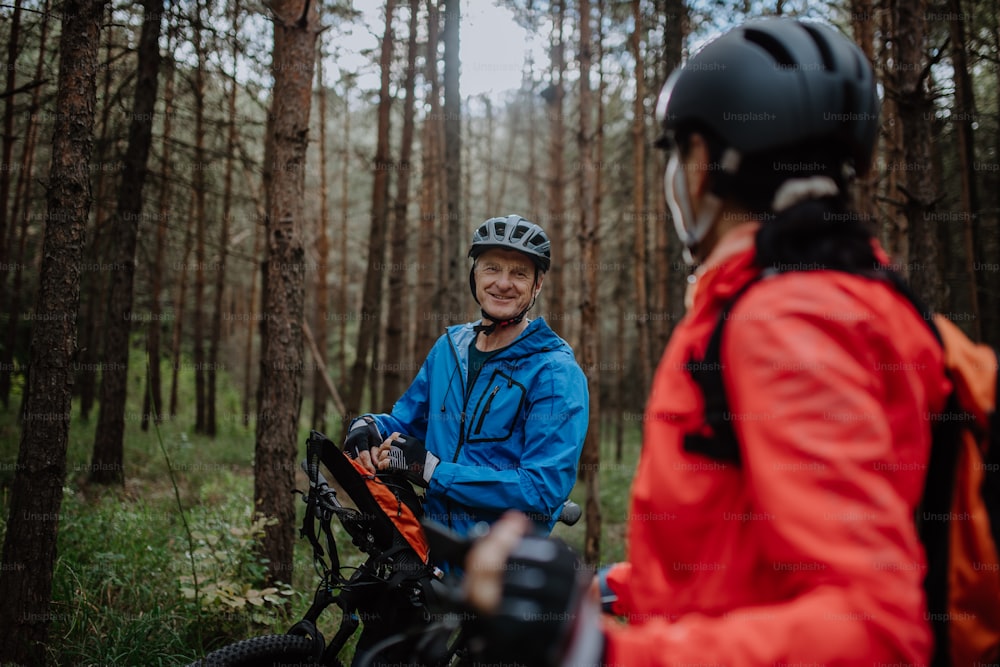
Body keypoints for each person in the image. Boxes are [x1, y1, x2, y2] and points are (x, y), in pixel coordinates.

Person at [460, 17, 953, 667]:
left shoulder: (787, 320)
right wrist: (607, 587)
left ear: (700, 166)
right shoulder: (848, 300)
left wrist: (593, 651)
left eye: (677, 153)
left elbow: (874, 631)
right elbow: (750, 554)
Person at [344, 214, 589, 536]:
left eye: (519, 273)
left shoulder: (555, 373)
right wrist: (371, 425)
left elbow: (542, 490)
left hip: (500, 562)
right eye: (492, 268)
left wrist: (433, 471)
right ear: (474, 274)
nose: (503, 283)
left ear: (537, 284)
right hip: (431, 543)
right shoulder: (450, 347)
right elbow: (409, 421)